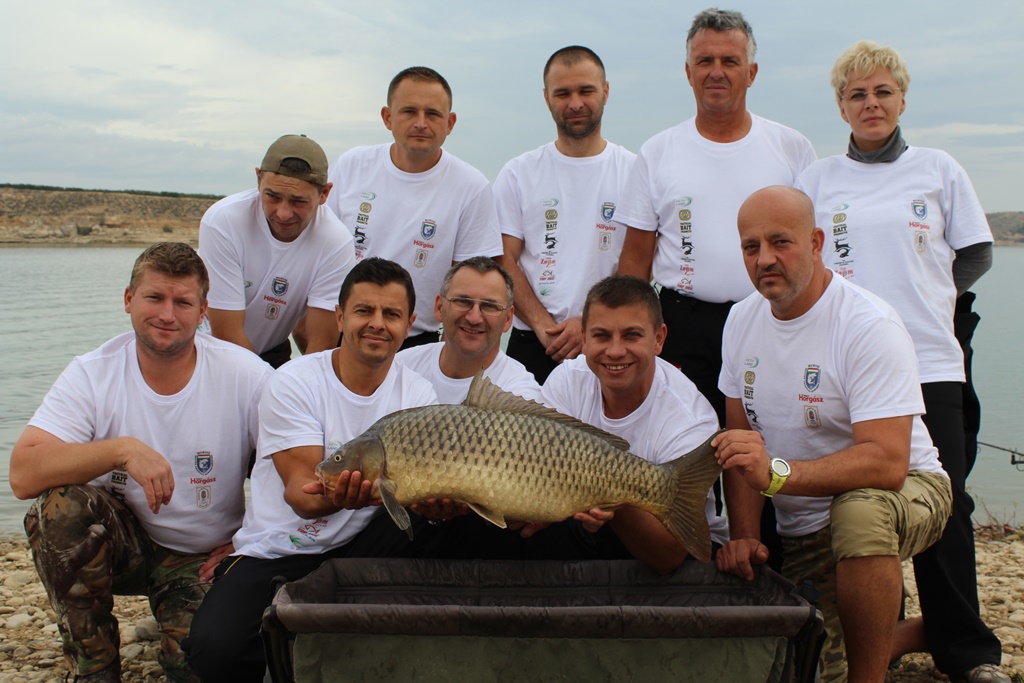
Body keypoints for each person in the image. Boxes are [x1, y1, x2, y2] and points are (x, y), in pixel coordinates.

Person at [794, 41, 1005, 683]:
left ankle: (967, 653)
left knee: (947, 503)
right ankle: (882, 631)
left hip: (929, 363)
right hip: (842, 366)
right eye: (857, 95)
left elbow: (972, 257)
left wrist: (928, 301)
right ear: (841, 106)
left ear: (902, 99)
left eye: (882, 92)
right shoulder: (819, 179)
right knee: (863, 498)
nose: (871, 104)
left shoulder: (938, 170)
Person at [713, 186, 952, 683]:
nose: (765, 259)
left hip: (909, 489)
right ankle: (912, 631)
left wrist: (777, 475)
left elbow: (887, 463)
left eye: (782, 242)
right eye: (751, 247)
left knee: (859, 512)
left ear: (818, 242)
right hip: (802, 520)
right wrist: (746, 539)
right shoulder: (740, 320)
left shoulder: (868, 324)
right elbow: (740, 442)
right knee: (802, 669)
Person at [9, 243, 272, 683]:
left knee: (201, 664)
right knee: (59, 507)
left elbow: (291, 465)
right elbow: (22, 473)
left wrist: (252, 541)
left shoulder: (246, 374)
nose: (167, 314)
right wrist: (120, 449)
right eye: (154, 298)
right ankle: (94, 666)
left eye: (182, 302)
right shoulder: (92, 372)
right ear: (129, 299)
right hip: (122, 544)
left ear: (203, 310)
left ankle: (174, 625)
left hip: (201, 556)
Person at [183, 258, 439, 683]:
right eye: (364, 311)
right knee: (214, 651)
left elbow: (421, 493)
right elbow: (302, 496)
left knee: (454, 526)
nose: (377, 324)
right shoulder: (293, 381)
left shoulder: (418, 392)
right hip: (285, 548)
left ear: (410, 322)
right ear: (339, 316)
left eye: (391, 314)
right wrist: (350, 494)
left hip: (366, 541)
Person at [615, 8, 815, 424]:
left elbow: (813, 251)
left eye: (730, 61)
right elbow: (635, 261)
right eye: (705, 61)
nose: (716, 72)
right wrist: (631, 332)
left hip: (771, 316)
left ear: (752, 72)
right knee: (688, 447)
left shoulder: (792, 148)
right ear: (688, 72)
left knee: (768, 443)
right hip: (682, 325)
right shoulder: (657, 152)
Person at [529, 274, 728, 574]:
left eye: (632, 335)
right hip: (580, 526)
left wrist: (613, 499)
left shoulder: (689, 419)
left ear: (659, 339)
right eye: (601, 336)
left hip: (671, 551)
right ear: (583, 339)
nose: (615, 351)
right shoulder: (567, 381)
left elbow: (671, 556)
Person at [326, 66, 503, 349]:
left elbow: (470, 288)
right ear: (387, 117)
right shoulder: (351, 166)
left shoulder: (472, 186)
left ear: (450, 123)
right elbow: (319, 255)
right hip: (343, 333)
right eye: (409, 112)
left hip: (417, 342)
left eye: (433, 114)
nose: (421, 123)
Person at [494, 45, 636, 383]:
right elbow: (503, 259)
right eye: (563, 93)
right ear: (546, 98)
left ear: (605, 91)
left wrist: (589, 324)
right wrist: (545, 327)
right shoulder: (518, 173)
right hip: (535, 342)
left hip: (609, 345)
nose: (575, 103)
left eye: (586, 90)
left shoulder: (634, 171)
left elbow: (637, 263)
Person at [199, 134, 355, 368]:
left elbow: (319, 347)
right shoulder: (223, 221)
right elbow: (226, 332)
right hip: (208, 347)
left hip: (271, 350)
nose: (283, 213)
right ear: (258, 179)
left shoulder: (336, 242)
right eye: (272, 196)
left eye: (298, 201)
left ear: (325, 194)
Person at [396, 256, 541, 403]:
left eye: (489, 306)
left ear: (508, 319)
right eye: (463, 302)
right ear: (439, 308)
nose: (474, 318)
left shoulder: (521, 396)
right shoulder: (400, 368)